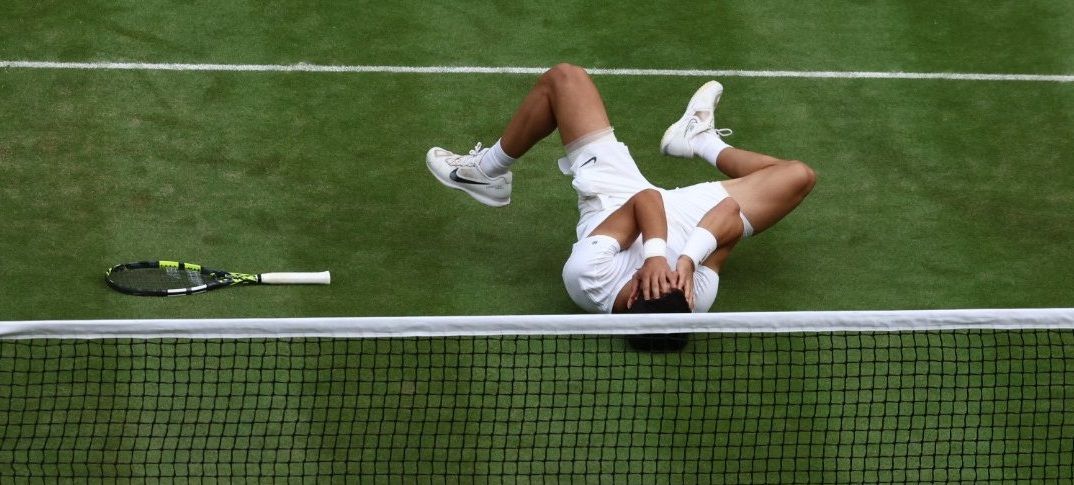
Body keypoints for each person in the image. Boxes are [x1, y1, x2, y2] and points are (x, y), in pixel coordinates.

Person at [426, 63, 815, 316]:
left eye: (649, 283)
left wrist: (656, 257)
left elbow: (644, 201)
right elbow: (728, 215)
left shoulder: (587, 278)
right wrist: (687, 262)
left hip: (616, 201)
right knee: (797, 176)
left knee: (564, 79)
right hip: (690, 224)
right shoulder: (695, 298)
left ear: (630, 298)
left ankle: (486, 172)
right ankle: (696, 140)